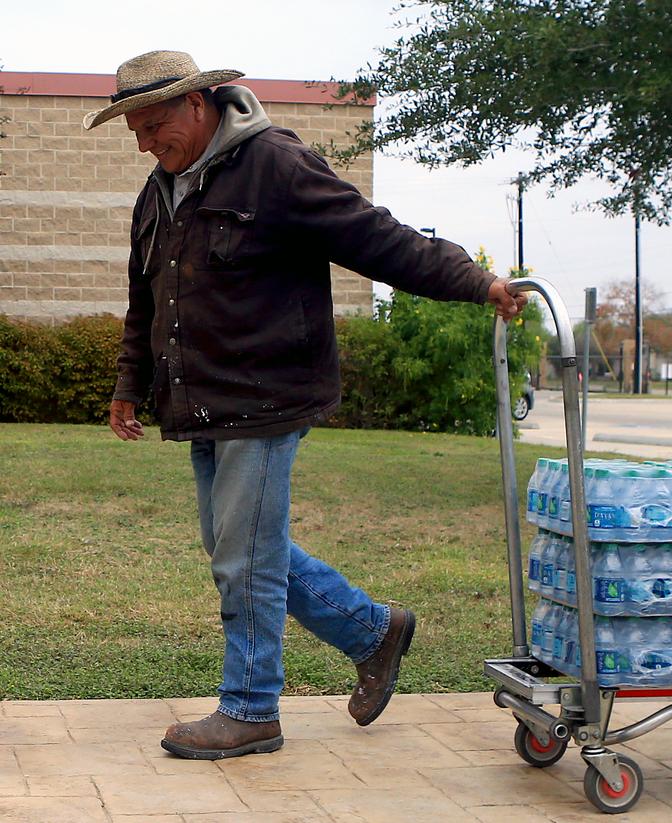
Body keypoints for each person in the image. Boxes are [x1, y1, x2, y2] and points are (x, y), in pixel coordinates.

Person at [87, 51, 525, 760]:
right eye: (134, 130)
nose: (144, 143)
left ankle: (252, 707)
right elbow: (147, 297)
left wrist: (474, 282)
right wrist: (128, 383)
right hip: (204, 401)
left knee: (245, 558)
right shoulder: (160, 189)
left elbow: (376, 237)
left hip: (268, 393)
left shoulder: (276, 165)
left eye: (154, 125)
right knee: (239, 547)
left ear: (198, 105)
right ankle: (372, 629)